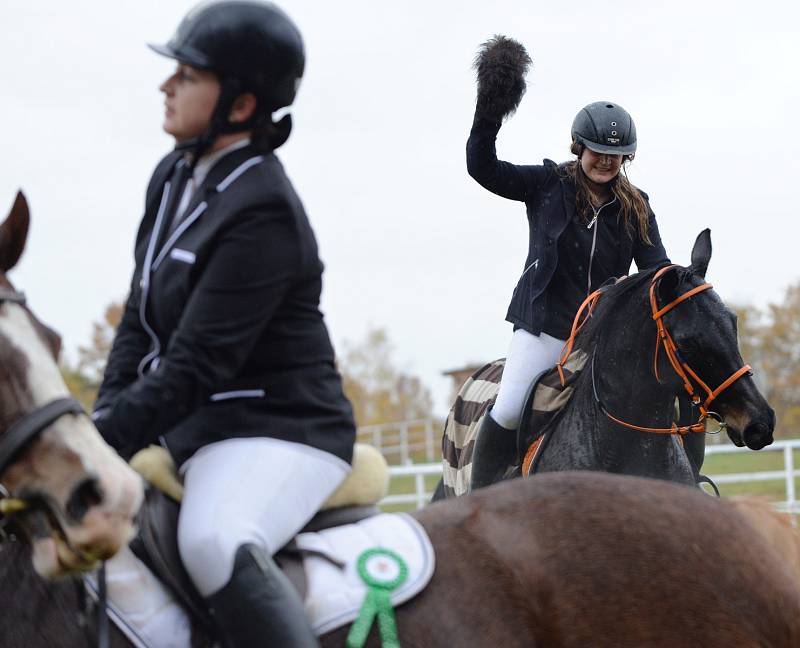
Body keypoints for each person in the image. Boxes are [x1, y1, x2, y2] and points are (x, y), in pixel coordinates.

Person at [92, 2, 355, 646]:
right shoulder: (174, 175)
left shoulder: (264, 208)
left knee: (213, 540)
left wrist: (100, 443)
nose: (166, 86)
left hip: (279, 429)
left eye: (185, 75)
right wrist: (95, 426)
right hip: (195, 426)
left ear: (239, 105)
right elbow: (138, 320)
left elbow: (195, 364)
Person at [464, 36, 704, 489]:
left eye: (616, 155)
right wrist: (490, 109)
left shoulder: (638, 206)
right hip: (546, 328)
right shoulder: (545, 185)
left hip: (605, 333)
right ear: (579, 146)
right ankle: (484, 497)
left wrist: (685, 282)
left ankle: (689, 486)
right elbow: (483, 168)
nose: (606, 162)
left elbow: (655, 268)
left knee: (676, 389)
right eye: (598, 152)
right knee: (511, 405)